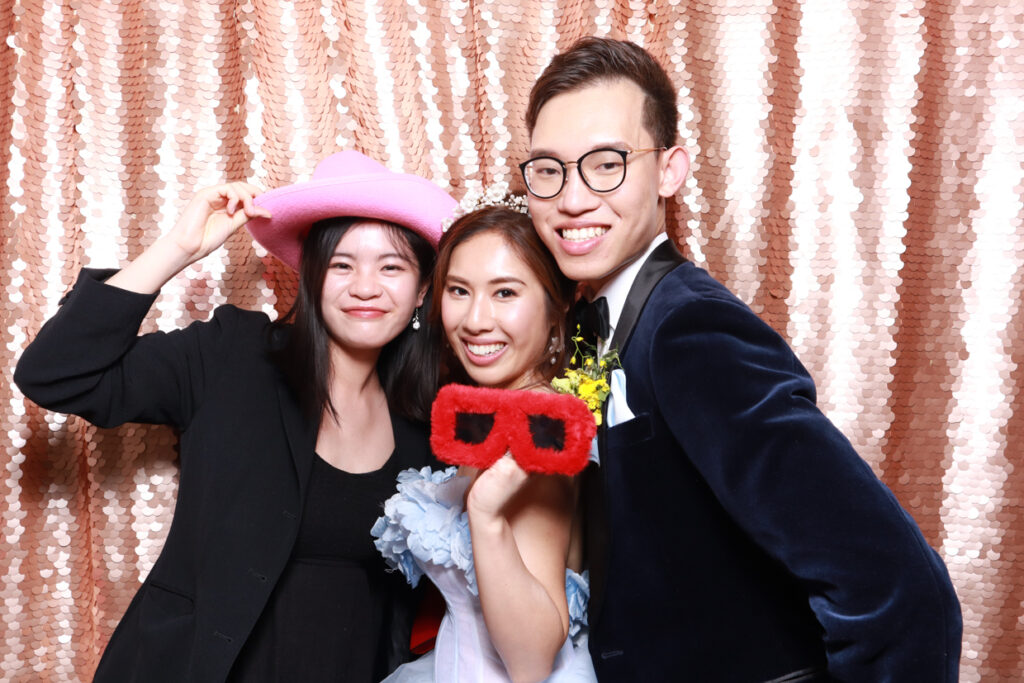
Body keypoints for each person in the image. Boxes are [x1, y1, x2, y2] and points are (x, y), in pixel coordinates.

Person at [519, 37, 963, 681]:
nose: (572, 198)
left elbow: (894, 587)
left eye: (607, 163)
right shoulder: (599, 322)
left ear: (670, 170)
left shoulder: (688, 328)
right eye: (548, 169)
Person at [13, 151, 456, 682]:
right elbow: (56, 373)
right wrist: (176, 249)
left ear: (422, 289)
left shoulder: (428, 415)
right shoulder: (232, 355)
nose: (366, 286)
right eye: (342, 264)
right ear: (311, 277)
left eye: (392, 266)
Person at [371, 204, 597, 682]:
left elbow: (532, 663)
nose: (475, 320)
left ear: (558, 305)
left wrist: (487, 512)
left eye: (505, 293)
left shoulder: (541, 431)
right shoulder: (495, 413)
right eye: (459, 291)